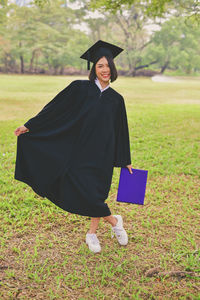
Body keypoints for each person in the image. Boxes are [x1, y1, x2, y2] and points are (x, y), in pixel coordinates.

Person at [14, 40, 133, 253]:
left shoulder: (117, 100)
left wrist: (125, 160)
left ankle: (92, 234)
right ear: (93, 69)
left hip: (102, 155)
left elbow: (121, 131)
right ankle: (115, 222)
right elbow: (54, 110)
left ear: (113, 68)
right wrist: (30, 126)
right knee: (85, 193)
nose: (105, 70)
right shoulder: (79, 88)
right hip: (78, 152)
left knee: (96, 194)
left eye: (108, 66)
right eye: (100, 66)